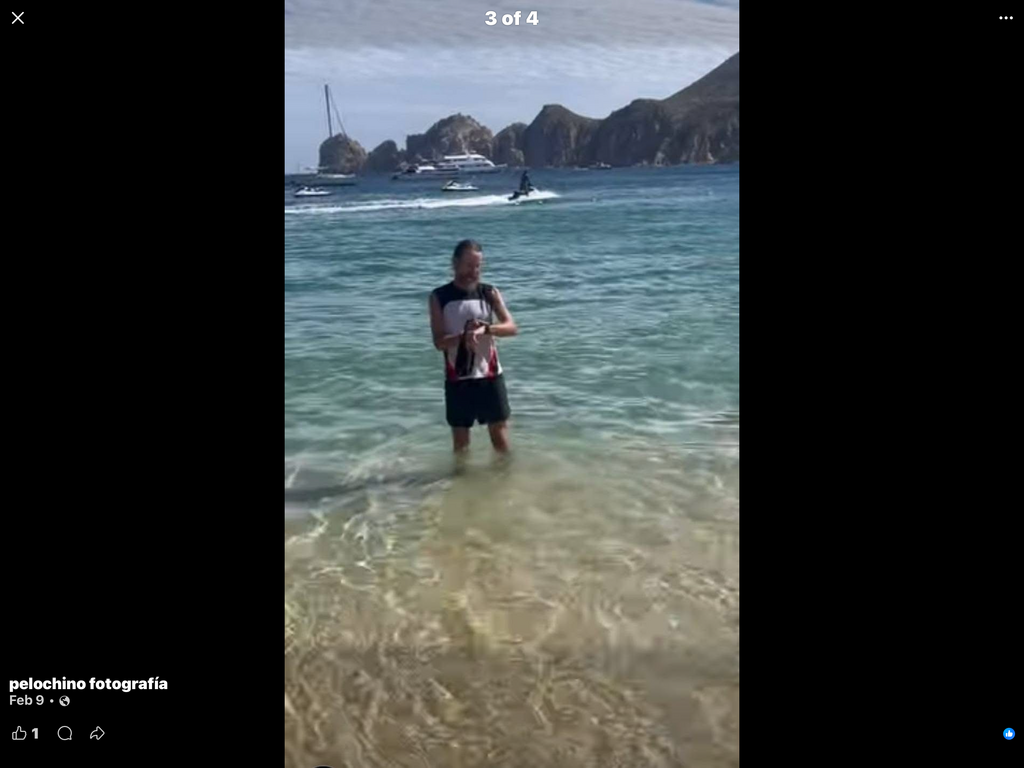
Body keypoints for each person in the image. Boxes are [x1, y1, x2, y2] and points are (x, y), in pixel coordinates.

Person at [428, 240, 518, 453]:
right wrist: (463, 336)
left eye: (478, 266)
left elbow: (511, 328)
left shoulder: (489, 293)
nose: (474, 271)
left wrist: (486, 329)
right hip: (457, 379)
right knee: (461, 447)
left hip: (490, 376)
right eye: (469, 265)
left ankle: (506, 475)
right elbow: (439, 342)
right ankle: (460, 475)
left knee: (501, 441)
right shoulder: (439, 297)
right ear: (455, 263)